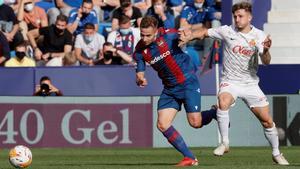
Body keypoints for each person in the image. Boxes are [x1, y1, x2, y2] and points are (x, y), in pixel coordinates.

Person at [179, 1, 289, 165]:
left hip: (250, 84)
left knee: (267, 121)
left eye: (240, 16)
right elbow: (204, 33)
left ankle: (276, 153)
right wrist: (190, 36)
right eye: (235, 16)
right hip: (230, 81)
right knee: (223, 101)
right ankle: (225, 142)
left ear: (249, 17)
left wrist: (266, 50)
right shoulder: (226, 30)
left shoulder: (260, 36)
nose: (237, 19)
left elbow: (266, 62)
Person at [133, 16, 217, 166]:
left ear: (156, 31)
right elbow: (140, 71)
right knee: (162, 124)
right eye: (142, 35)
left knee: (195, 123)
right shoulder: (140, 50)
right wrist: (140, 79)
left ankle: (213, 113)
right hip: (170, 89)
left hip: (187, 82)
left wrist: (188, 34)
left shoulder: (169, 35)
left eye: (148, 35)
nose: (144, 39)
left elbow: (193, 33)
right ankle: (190, 157)